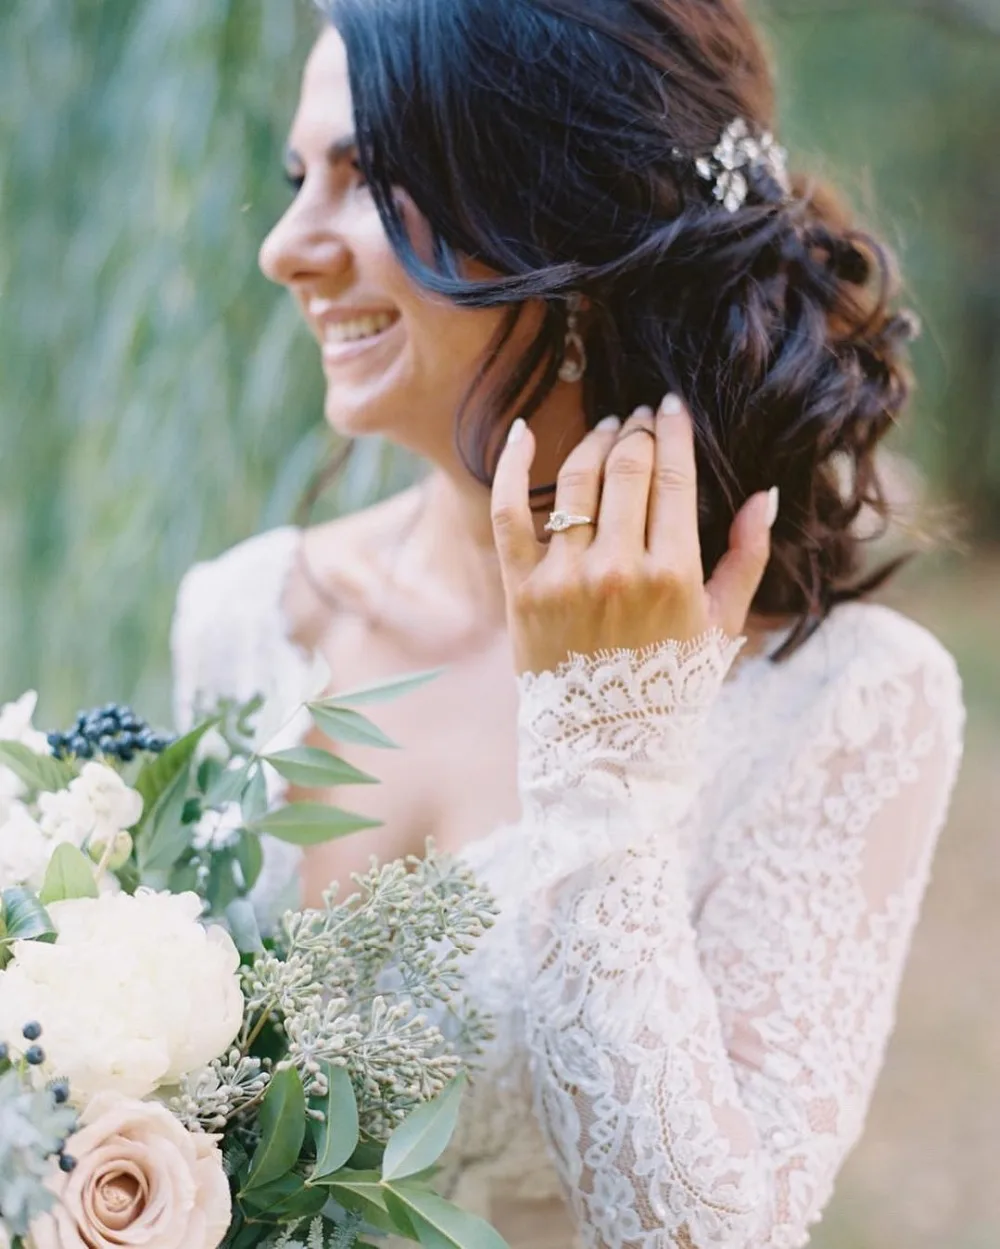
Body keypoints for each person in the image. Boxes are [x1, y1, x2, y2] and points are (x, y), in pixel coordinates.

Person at [171, 2, 965, 1246]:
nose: (284, 248)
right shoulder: (243, 617)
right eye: (293, 179)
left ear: (562, 213)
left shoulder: (847, 698)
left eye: (368, 179)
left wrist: (610, 762)